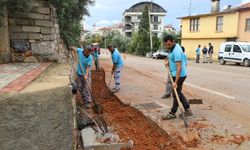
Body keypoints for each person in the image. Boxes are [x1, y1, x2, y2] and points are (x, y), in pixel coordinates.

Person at [161, 35, 193, 120]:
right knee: (178, 93)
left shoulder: (176, 51)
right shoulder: (173, 47)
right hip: (175, 74)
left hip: (179, 76)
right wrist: (167, 61)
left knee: (176, 94)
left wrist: (175, 82)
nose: (167, 46)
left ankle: (172, 113)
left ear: (173, 42)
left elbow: (179, 67)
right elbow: (170, 56)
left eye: (169, 44)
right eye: (166, 45)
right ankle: (188, 109)